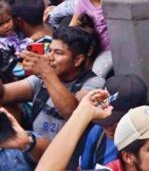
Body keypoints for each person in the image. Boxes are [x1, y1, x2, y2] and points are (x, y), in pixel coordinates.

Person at [0, 23, 106, 164]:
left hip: (61, 158)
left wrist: (46, 72)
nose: (50, 57)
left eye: (58, 53)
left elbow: (73, 112)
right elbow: (4, 94)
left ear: (78, 60)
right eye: (50, 51)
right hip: (31, 152)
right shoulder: (43, 78)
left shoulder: (94, 83)